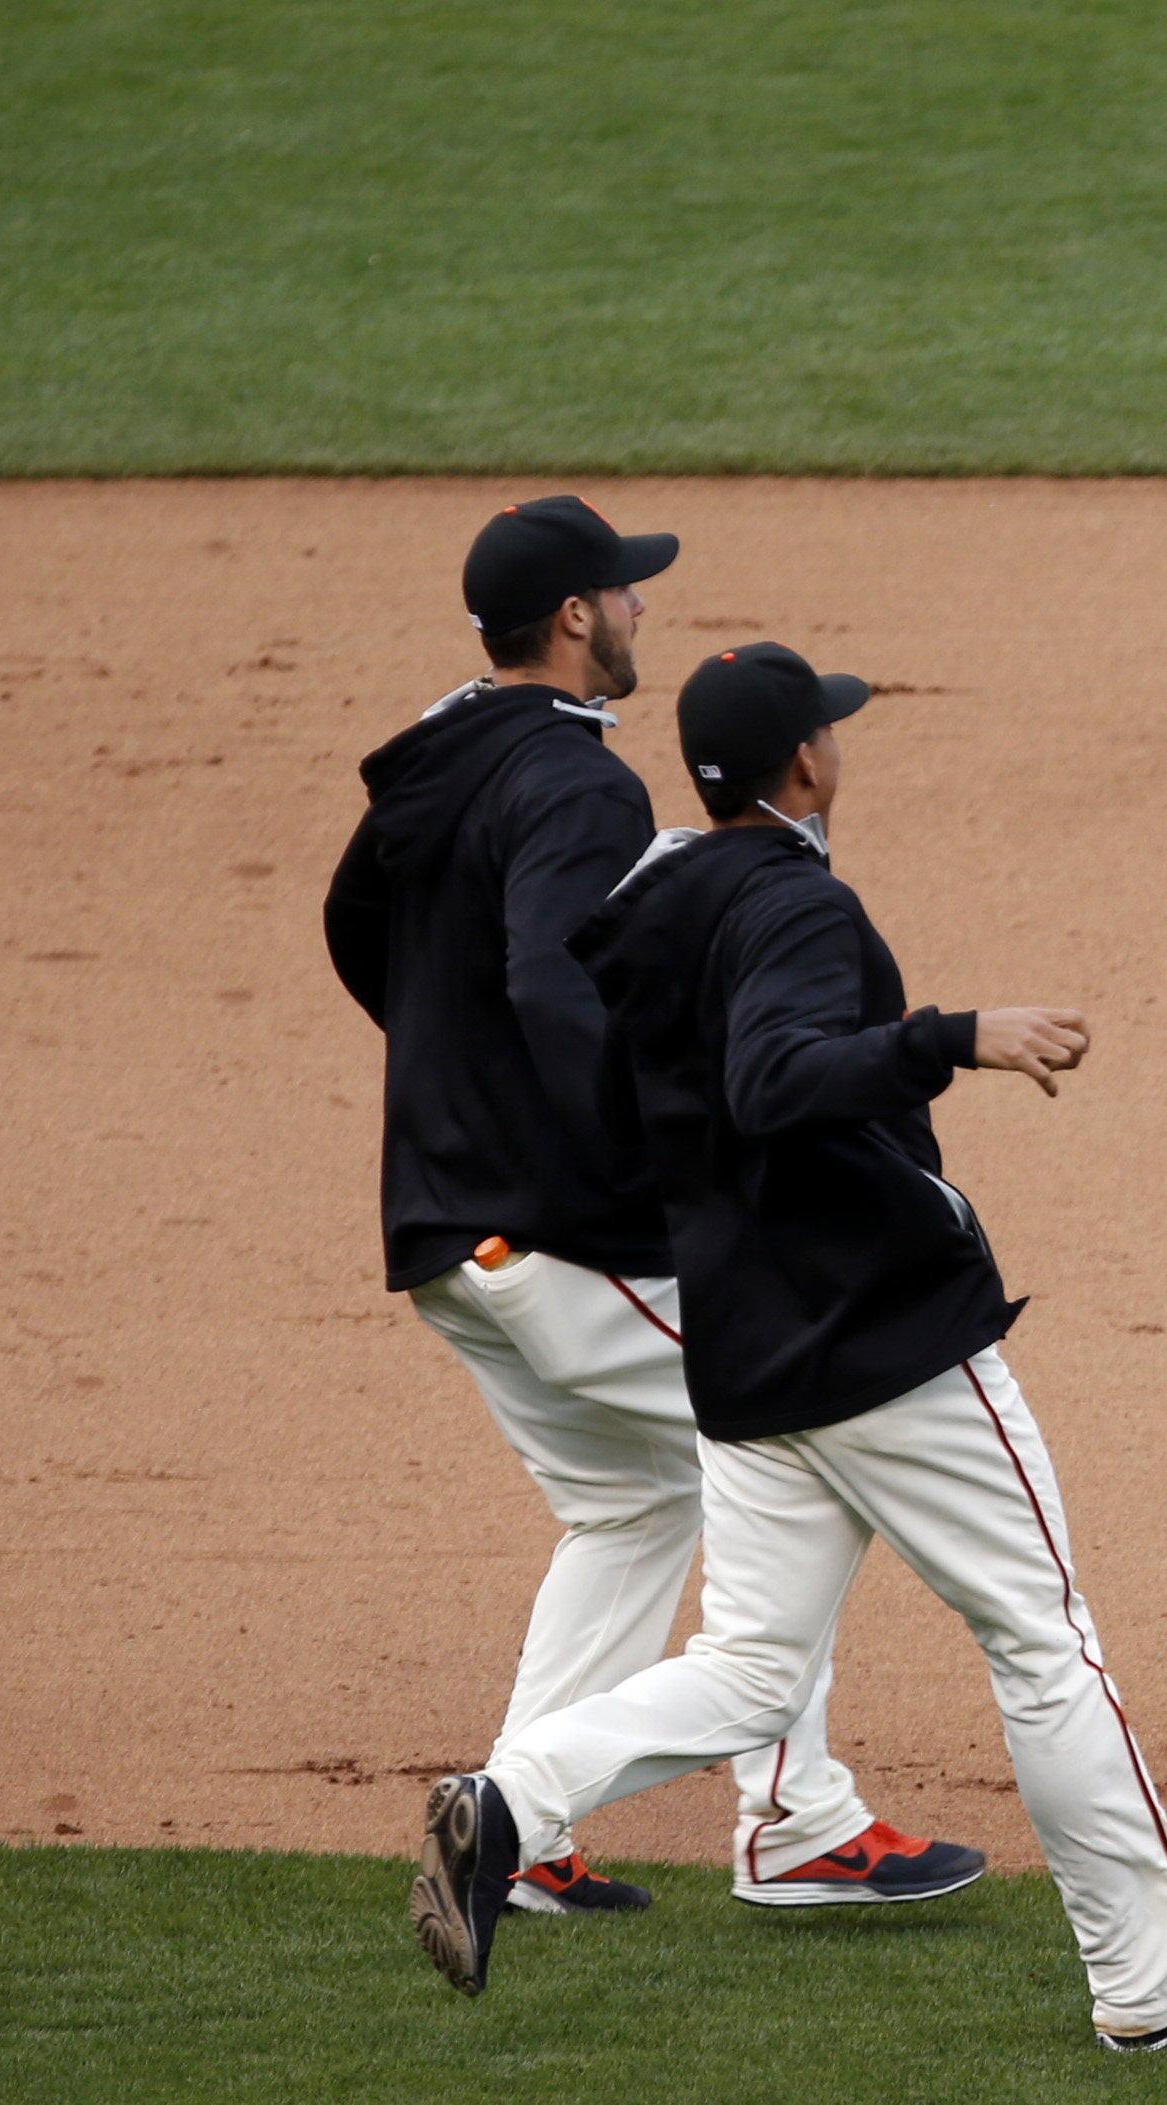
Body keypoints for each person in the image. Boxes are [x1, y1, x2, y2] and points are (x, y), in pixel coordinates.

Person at [409, 643, 1167, 2053]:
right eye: (827, 729)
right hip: (884, 1348)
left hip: (748, 1358)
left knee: (751, 1669)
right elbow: (772, 1076)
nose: (837, 744)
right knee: (1043, 1639)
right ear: (801, 763)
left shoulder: (658, 901)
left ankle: (509, 1796)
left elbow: (634, 1131)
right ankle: (1144, 1984)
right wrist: (954, 1035)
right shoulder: (793, 901)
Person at [324, 497, 949, 1914]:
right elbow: (556, 982)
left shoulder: (436, 760)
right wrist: (652, 1135)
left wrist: (454, 1079)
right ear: (571, 619)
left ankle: (519, 1830)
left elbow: (359, 931)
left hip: (444, 1225)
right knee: (807, 1429)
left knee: (634, 1499)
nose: (640, 613)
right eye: (624, 593)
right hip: (544, 1226)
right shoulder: (578, 782)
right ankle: (798, 1822)